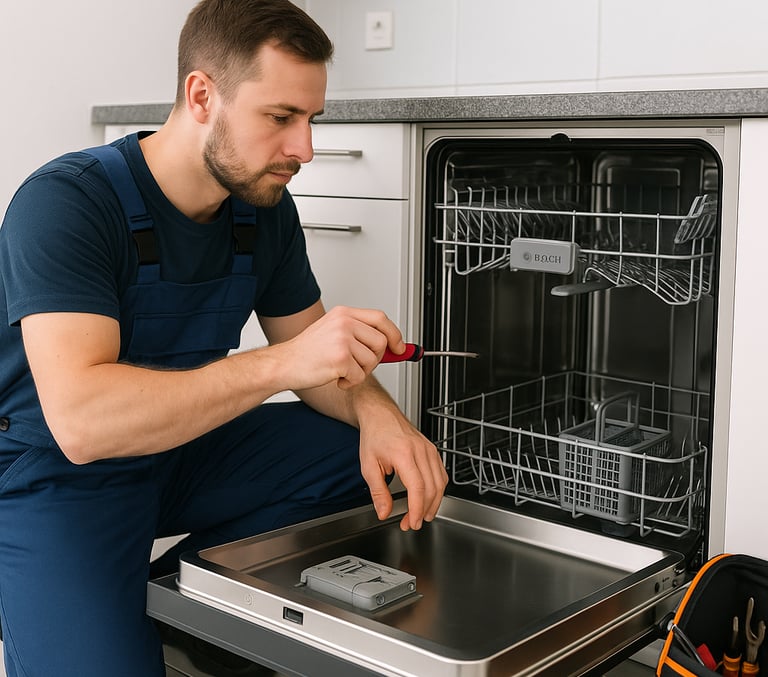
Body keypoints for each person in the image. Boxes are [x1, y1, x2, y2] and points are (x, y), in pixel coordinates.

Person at [0, 1, 448, 675]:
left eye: (310, 120)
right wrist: (283, 362)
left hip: (176, 455)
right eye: (280, 118)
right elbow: (82, 421)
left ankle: (182, 595)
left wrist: (383, 416)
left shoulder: (262, 211)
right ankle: (79, 593)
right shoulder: (67, 202)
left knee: (357, 458)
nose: (304, 147)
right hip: (54, 476)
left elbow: (320, 358)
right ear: (202, 95)